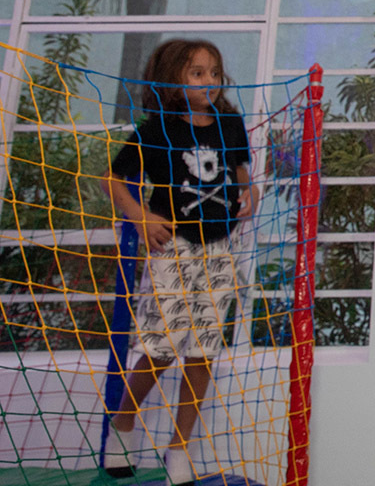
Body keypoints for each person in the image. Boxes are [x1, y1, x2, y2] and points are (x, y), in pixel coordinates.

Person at [101, 39, 258, 486]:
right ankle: (123, 422)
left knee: (202, 352)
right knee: (161, 348)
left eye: (214, 72)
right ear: (174, 81)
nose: (209, 81)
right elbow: (112, 179)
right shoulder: (156, 130)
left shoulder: (229, 123)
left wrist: (250, 191)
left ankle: (179, 449)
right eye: (197, 73)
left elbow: (242, 173)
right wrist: (142, 217)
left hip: (219, 248)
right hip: (173, 246)